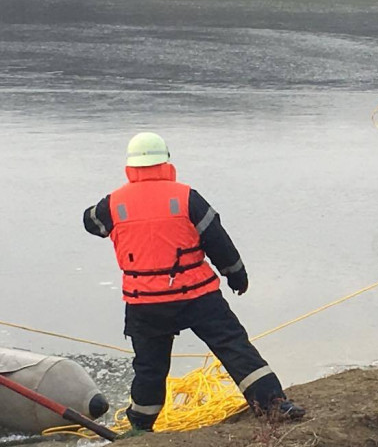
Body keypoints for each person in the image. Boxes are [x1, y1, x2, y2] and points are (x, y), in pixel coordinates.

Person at [83, 132, 305, 431]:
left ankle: (140, 427)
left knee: (150, 366)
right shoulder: (187, 197)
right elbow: (217, 240)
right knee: (233, 347)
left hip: (145, 301)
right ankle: (274, 406)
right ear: (167, 163)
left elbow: (90, 222)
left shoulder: (114, 203)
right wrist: (236, 275)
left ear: (130, 167)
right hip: (197, 295)